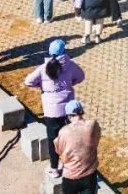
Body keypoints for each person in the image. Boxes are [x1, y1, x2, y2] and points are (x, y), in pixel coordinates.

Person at [24, 39, 85, 179]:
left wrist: (41, 87)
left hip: (51, 111)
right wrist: (69, 85)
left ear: (49, 52)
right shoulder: (70, 65)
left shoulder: (43, 68)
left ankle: (54, 168)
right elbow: (81, 76)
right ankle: (67, 165)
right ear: (64, 51)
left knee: (53, 140)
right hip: (68, 111)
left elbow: (28, 81)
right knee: (68, 139)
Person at [55, 100, 101, 194]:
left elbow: (59, 150)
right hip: (90, 174)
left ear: (69, 116)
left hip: (71, 176)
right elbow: (97, 139)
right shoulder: (92, 125)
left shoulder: (64, 132)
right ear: (81, 112)